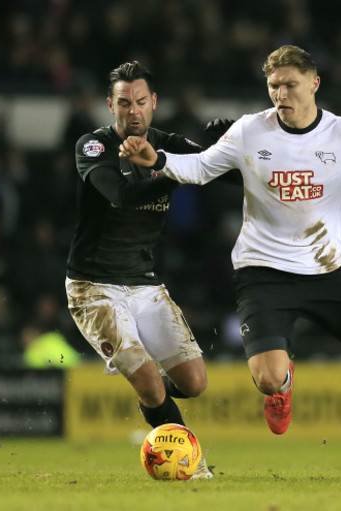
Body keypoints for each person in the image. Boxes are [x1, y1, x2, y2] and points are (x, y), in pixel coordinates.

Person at [119, 45, 341, 482]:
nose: (281, 94)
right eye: (274, 87)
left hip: (328, 272)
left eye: (290, 85)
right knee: (269, 378)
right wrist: (157, 160)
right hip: (262, 274)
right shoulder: (251, 131)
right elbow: (201, 168)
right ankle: (282, 388)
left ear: (314, 83)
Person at [65, 61, 233, 479]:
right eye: (124, 103)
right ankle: (193, 466)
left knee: (195, 383)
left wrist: (231, 144)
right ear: (110, 105)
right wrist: (173, 169)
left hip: (145, 284)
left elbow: (224, 174)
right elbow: (121, 195)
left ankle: (150, 390)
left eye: (141, 101)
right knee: (152, 385)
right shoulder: (93, 147)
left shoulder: (166, 143)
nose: (133, 110)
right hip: (94, 287)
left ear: (154, 103)